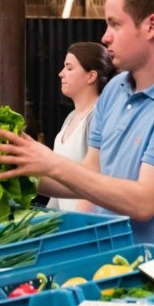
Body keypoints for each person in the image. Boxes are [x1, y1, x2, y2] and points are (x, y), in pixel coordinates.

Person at [0, 0, 154, 252]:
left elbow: (143, 202)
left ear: (151, 26)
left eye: (115, 24)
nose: (105, 36)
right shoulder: (115, 90)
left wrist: (52, 163)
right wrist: (20, 169)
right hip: (107, 267)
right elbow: (90, 175)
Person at [48, 42, 115, 211]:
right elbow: (59, 185)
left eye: (69, 68)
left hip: (83, 227)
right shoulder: (70, 117)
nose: (61, 74)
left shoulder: (97, 118)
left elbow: (96, 179)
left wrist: (77, 225)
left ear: (91, 76)